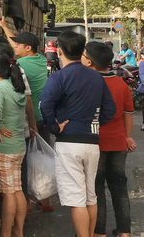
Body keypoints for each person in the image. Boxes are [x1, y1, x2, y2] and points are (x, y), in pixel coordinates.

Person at [39, 30, 117, 237]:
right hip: (92, 143)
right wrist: (93, 124)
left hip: (69, 143)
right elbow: (110, 109)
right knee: (91, 197)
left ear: (60, 52)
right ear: (82, 50)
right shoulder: (97, 78)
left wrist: (55, 127)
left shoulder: (58, 78)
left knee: (77, 200)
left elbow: (45, 105)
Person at [81, 42, 136, 237]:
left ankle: (99, 232)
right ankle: (124, 233)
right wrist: (127, 136)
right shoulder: (121, 84)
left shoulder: (88, 84)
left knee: (97, 189)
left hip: (95, 142)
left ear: (89, 61)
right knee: (119, 187)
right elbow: (128, 113)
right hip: (119, 142)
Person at [0, 54, 28, 237]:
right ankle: (18, 232)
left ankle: (5, 233)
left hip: (1, 147)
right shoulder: (17, 87)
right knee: (17, 189)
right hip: (18, 146)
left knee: (8, 194)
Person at [0, 20, 49, 145]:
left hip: (31, 117)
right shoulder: (41, 59)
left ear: (28, 48)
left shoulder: (20, 65)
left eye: (18, 44)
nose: (15, 46)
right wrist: (4, 26)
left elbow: (27, 98)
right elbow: (14, 44)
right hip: (43, 114)